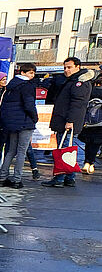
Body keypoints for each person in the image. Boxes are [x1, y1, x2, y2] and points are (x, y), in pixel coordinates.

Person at [43, 57, 94, 187]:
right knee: (68, 150)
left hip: (67, 122)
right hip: (65, 120)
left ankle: (60, 177)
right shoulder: (73, 81)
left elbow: (77, 104)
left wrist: (70, 121)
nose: (66, 70)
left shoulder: (79, 82)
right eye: (65, 67)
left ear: (77, 67)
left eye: (69, 67)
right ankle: (69, 177)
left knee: (64, 149)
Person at [0, 63, 39, 189]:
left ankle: (2, 178)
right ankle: (17, 180)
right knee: (22, 152)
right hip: (25, 122)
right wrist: (35, 118)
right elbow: (29, 105)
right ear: (23, 73)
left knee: (11, 151)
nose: (32, 75)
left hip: (11, 123)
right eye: (30, 73)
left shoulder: (10, 86)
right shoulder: (27, 86)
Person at [78, 72, 102, 174]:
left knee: (88, 143)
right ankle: (90, 163)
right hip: (100, 123)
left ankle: (86, 161)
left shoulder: (89, 91)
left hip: (87, 122)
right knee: (96, 144)